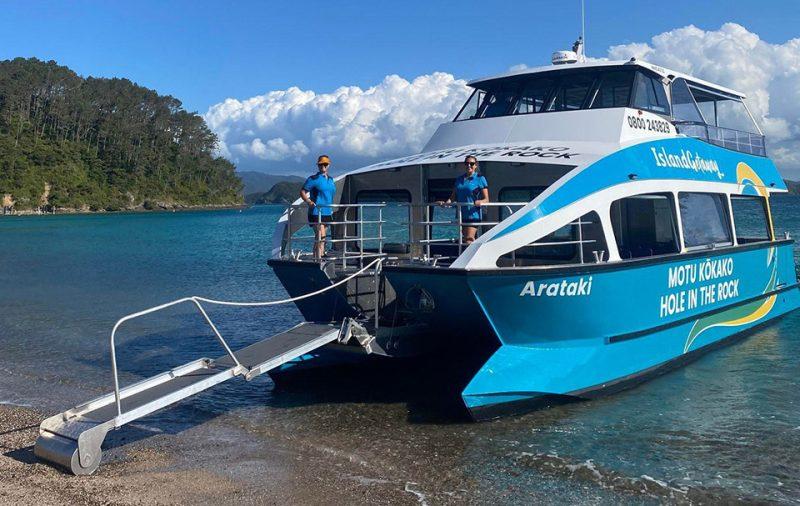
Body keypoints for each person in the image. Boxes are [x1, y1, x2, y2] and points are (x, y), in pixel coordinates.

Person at [439, 155, 489, 246]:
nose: (469, 165)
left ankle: (472, 259)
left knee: (469, 239)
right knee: (467, 239)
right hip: (462, 214)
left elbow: (486, 199)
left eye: (471, 163)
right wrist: (445, 203)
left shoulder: (480, 178)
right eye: (467, 163)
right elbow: (453, 197)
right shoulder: (459, 179)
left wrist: (480, 202)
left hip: (473, 214)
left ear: (475, 165)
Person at [300, 155, 336, 259]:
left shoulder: (331, 180)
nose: (323, 166)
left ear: (328, 165)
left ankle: (317, 258)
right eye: (320, 164)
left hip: (327, 212)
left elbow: (330, 195)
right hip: (316, 212)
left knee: (320, 237)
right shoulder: (313, 179)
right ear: (318, 166)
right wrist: (308, 201)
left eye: (325, 164)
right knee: (321, 236)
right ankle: (320, 258)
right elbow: (302, 191)